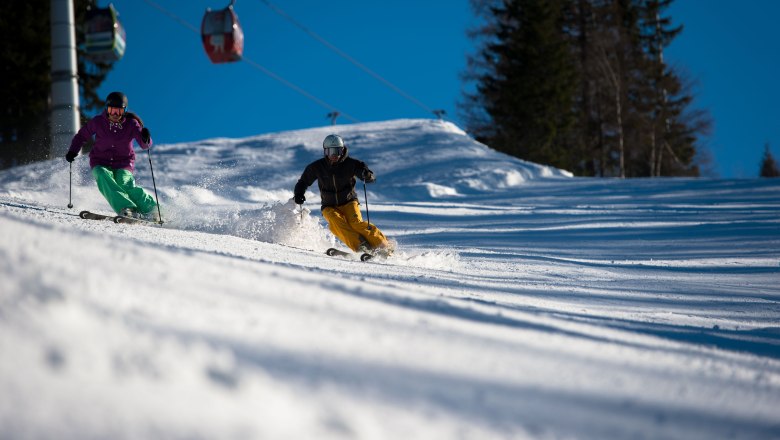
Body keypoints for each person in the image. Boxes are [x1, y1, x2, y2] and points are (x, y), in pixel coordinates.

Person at [65, 91, 159, 221]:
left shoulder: (131, 124)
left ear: (124, 111)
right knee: (102, 175)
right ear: (107, 109)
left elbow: (145, 145)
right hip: (100, 161)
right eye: (112, 110)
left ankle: (153, 210)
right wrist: (73, 151)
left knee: (125, 183)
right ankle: (127, 208)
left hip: (124, 163)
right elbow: (82, 136)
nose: (115, 114)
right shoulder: (98, 122)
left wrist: (145, 137)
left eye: (119, 111)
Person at [294, 134, 392, 254]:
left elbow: (369, 177)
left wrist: (366, 174)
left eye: (338, 151)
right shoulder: (317, 167)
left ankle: (383, 245)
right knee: (337, 224)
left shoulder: (351, 164)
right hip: (329, 205)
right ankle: (362, 247)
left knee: (356, 224)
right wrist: (299, 193)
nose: (334, 155)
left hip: (349, 201)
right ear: (325, 151)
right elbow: (303, 181)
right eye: (331, 151)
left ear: (343, 150)